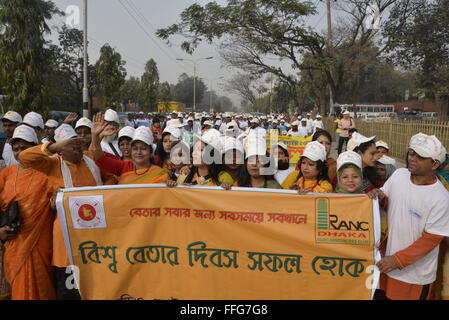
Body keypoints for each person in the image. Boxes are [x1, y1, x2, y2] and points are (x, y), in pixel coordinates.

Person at [18, 123, 115, 300]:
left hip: (96, 240)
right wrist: (54, 147)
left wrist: (101, 195)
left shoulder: (90, 159)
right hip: (67, 242)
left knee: (96, 290)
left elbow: (111, 179)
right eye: (71, 146)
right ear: (61, 150)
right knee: (69, 292)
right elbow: (25, 158)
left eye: (78, 145)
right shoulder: (53, 164)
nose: (77, 149)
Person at [370, 133, 449, 300]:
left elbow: (430, 239)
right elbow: (388, 201)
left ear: (434, 164)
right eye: (412, 153)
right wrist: (380, 197)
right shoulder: (399, 175)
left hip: (414, 276)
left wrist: (397, 260)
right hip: (386, 267)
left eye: (420, 157)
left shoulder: (441, 197)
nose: (412, 158)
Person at [0, 125, 56, 300]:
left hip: (40, 240)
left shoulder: (48, 170)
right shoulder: (7, 173)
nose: (19, 153)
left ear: (35, 147)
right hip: (13, 241)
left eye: (24, 148)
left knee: (42, 284)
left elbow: (58, 202)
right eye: (15, 148)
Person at [91, 113, 169, 185]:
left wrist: (171, 185)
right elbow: (100, 158)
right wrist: (95, 135)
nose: (139, 152)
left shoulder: (159, 173)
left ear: (150, 151)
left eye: (143, 149)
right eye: (135, 149)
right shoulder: (124, 167)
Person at [168, 129, 233, 187]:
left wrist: (225, 188)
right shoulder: (185, 174)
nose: (194, 153)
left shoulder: (224, 178)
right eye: (194, 149)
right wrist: (173, 185)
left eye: (200, 150)